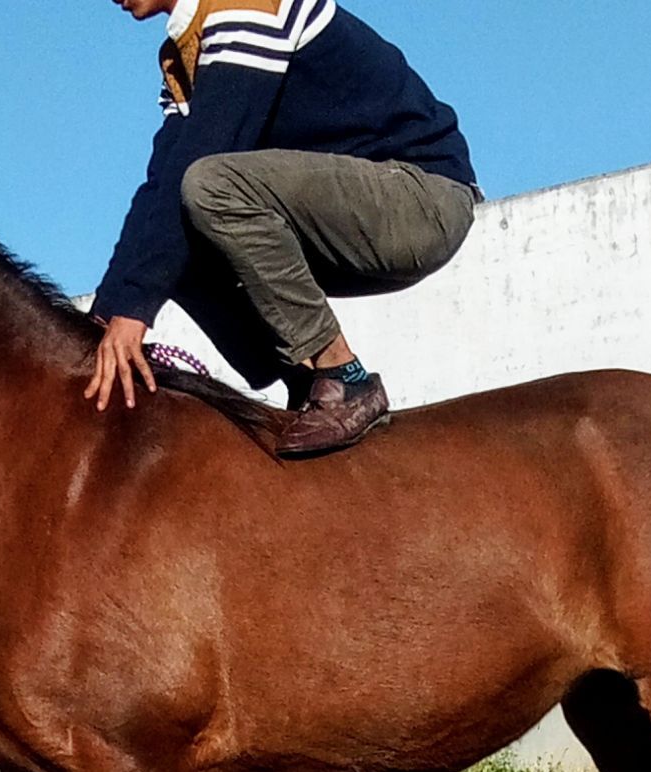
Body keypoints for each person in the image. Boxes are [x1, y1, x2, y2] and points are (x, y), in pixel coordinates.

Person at [88, 0, 479, 457]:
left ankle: (344, 379)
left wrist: (135, 314)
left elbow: (197, 165)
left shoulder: (242, 6)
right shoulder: (180, 55)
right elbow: (160, 189)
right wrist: (100, 325)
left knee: (210, 185)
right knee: (178, 242)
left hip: (420, 198)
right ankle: (306, 386)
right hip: (342, 218)